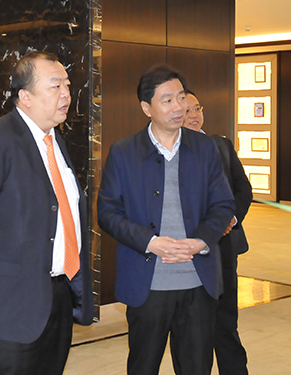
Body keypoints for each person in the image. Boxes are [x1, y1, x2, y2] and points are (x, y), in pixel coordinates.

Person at [0, 51, 94, 375]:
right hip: (9, 300)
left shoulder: (56, 141)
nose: (66, 94)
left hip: (57, 295)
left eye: (67, 85)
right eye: (55, 86)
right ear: (25, 96)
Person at [96, 64, 234, 375]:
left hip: (198, 282)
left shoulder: (206, 148)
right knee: (143, 366)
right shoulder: (123, 152)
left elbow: (223, 203)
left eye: (181, 98)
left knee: (196, 367)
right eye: (167, 100)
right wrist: (150, 242)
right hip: (148, 285)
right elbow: (107, 212)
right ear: (147, 108)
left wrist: (201, 240)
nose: (178, 107)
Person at [183, 90, 252, 375]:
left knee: (226, 322)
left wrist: (231, 219)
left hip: (223, 247)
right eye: (187, 110)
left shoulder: (221, 144)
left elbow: (242, 189)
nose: (194, 115)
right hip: (187, 252)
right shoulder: (170, 151)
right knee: (192, 328)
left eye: (197, 108)